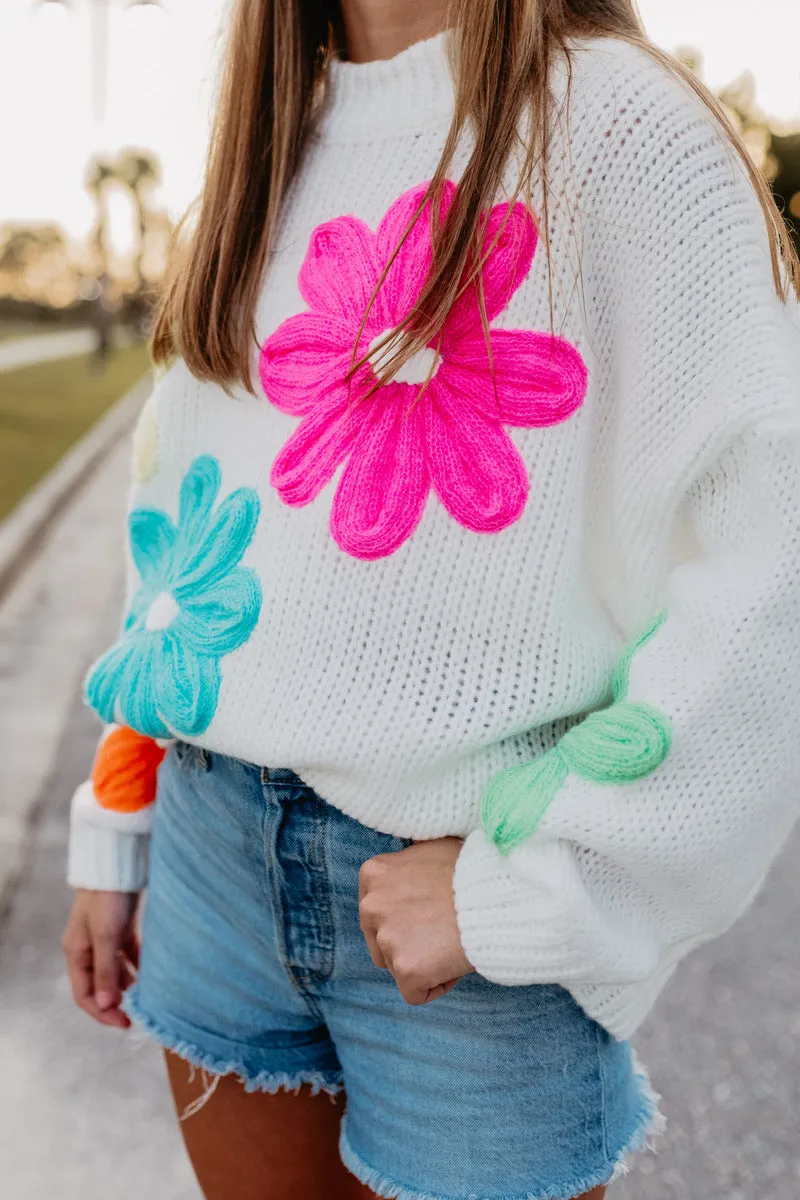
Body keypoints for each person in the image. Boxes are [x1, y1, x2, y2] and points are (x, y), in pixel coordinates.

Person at [61, 0, 800, 1197]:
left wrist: (534, 889)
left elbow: (768, 580)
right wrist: (121, 805)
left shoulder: (624, 128)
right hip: (208, 858)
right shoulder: (265, 145)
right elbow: (186, 537)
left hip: (462, 914)